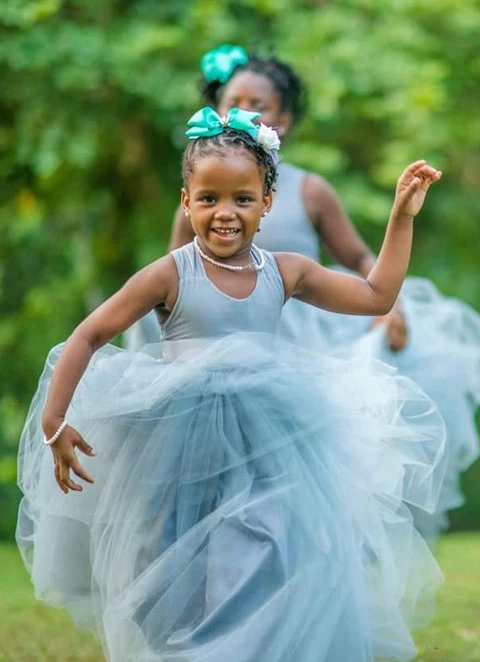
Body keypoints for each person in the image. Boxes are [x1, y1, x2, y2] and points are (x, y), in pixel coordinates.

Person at [17, 107, 444, 662]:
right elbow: (89, 335)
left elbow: (375, 298)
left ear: (267, 203)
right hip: (177, 442)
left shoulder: (284, 271)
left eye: (242, 199)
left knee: (269, 546)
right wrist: (54, 420)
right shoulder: (171, 272)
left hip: (271, 439)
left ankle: (255, 646)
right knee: (165, 561)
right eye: (209, 199)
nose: (225, 214)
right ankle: (188, 647)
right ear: (185, 201)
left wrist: (401, 219)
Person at [162, 45, 480, 541]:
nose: (245, 111)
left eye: (259, 104)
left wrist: (389, 307)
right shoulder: (198, 203)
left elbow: (358, 261)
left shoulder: (310, 190)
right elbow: (174, 277)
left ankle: (317, 548)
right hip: (223, 344)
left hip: (306, 340)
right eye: (233, 101)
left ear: (281, 121)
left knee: (305, 463)